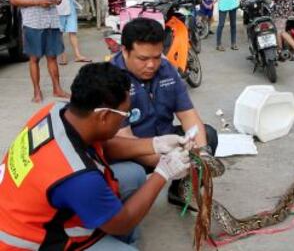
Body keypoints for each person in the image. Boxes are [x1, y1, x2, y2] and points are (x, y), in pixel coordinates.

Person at [0, 62, 193, 250]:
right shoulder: (77, 177)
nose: (125, 119)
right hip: (31, 242)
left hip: (22, 205)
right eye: (125, 114)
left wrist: (155, 143)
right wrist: (163, 173)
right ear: (103, 116)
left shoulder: (57, 111)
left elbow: (105, 145)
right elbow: (122, 223)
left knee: (133, 174)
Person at [111, 17, 223, 209]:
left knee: (208, 135)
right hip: (133, 151)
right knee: (130, 174)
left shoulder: (166, 69)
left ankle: (180, 191)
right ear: (125, 51)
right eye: (143, 59)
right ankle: (126, 212)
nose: (151, 65)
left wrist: (202, 155)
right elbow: (125, 141)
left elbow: (188, 115)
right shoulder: (111, 79)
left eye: (156, 56)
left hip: (168, 141)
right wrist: (169, 165)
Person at [8, 0, 69, 103]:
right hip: (33, 22)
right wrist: (37, 1)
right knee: (34, 58)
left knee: (52, 57)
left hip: (51, 21)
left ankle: (57, 89)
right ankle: (37, 91)